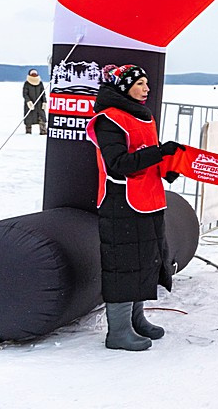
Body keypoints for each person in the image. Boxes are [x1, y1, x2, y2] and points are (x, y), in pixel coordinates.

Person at [85, 64, 186, 351]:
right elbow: (117, 165)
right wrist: (158, 152)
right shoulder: (109, 119)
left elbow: (145, 157)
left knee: (145, 261)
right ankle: (117, 331)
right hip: (121, 203)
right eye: (140, 83)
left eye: (146, 82)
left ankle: (136, 319)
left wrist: (168, 166)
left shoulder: (142, 116)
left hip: (148, 202)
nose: (146, 88)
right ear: (124, 86)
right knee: (123, 265)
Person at [23, 68, 47, 135]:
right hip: (30, 104)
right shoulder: (27, 83)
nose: (34, 75)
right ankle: (28, 132)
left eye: (35, 74)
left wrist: (44, 102)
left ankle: (43, 131)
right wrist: (28, 102)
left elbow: (43, 93)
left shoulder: (40, 83)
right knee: (28, 118)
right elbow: (25, 94)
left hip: (39, 104)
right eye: (32, 74)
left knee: (42, 117)